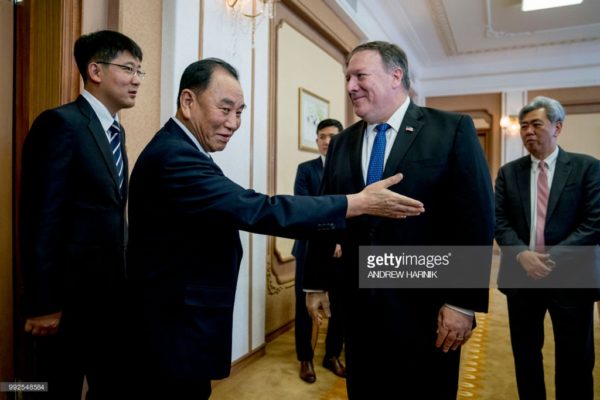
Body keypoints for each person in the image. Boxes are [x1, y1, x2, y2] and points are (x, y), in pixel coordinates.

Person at [125, 58, 425, 399]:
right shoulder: (173, 157)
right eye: (225, 109)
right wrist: (355, 203)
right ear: (188, 101)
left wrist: (462, 298)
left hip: (181, 321)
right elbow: (257, 208)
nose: (233, 123)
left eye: (240, 112)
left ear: (396, 78)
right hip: (171, 326)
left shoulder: (182, 150)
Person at [304, 41, 495, 399]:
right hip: (358, 306)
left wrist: (461, 302)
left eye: (360, 75)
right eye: (347, 77)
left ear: (396, 76)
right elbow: (327, 213)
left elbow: (475, 218)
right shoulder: (343, 142)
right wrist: (316, 281)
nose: (349, 87)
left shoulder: (450, 129)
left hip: (426, 306)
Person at [19, 30, 144, 399]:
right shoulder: (60, 124)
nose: (137, 79)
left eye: (141, 71)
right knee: (52, 389)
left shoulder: (114, 130)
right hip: (67, 304)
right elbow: (40, 218)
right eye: (129, 68)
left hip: (109, 299)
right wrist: (43, 305)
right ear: (95, 70)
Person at [494, 96, 600, 400]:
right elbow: (498, 220)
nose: (528, 131)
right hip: (520, 277)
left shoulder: (586, 168)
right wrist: (522, 254)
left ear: (557, 127)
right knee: (525, 356)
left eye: (536, 124)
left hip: (572, 278)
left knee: (575, 359)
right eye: (523, 126)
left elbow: (594, 224)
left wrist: (547, 259)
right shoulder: (508, 172)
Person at [292, 118, 346, 383]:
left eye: (332, 136)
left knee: (339, 305)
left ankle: (332, 355)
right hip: (308, 248)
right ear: (317, 141)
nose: (327, 141)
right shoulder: (306, 170)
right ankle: (305, 358)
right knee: (304, 308)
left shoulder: (348, 171)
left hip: (340, 251)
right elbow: (304, 210)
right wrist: (329, 238)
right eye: (322, 136)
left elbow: (351, 211)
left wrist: (340, 241)